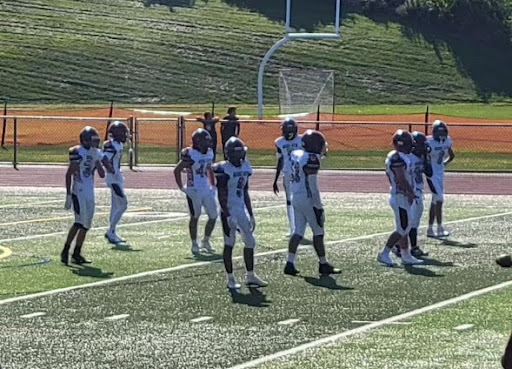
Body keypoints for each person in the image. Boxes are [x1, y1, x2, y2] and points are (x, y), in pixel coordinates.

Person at [283, 130, 341, 276]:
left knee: (298, 231)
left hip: (295, 196)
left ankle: (290, 263)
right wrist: (317, 205)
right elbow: (312, 185)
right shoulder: (312, 159)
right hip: (308, 198)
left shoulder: (296, 154)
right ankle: (323, 264)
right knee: (318, 232)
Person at [213, 137, 267, 289]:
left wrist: (251, 213)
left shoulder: (245, 167)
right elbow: (221, 195)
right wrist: (228, 215)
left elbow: (245, 191)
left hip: (240, 209)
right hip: (228, 211)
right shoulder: (224, 169)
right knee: (229, 244)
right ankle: (230, 279)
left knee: (250, 242)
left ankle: (250, 276)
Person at [378, 129, 424, 267]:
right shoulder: (397, 158)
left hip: (401, 196)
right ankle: (384, 253)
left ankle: (405, 254)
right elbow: (401, 179)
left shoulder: (400, 156)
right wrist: (410, 192)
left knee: (405, 227)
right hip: (400, 196)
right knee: (402, 229)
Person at [61, 126, 104, 265]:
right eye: (93, 140)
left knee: (86, 224)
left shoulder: (95, 153)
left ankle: (77, 253)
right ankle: (66, 250)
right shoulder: (77, 152)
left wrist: (98, 162)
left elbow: (102, 174)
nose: (96, 142)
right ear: (85, 140)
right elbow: (69, 174)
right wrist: (68, 194)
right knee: (79, 222)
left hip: (89, 191)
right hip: (78, 191)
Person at [174, 128, 217, 255]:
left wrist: (213, 185)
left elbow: (209, 169)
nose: (208, 143)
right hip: (194, 190)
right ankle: (194, 243)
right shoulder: (190, 153)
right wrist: (182, 188)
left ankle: (205, 241)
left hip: (205, 189)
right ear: (198, 142)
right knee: (195, 217)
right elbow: (177, 170)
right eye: (205, 140)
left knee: (213, 216)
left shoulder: (209, 153)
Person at [394, 131, 433, 258]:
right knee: (408, 223)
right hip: (409, 194)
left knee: (413, 222)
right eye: (421, 145)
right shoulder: (406, 158)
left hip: (418, 193)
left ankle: (400, 246)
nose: (423, 147)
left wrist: (426, 158)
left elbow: (430, 173)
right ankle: (409, 247)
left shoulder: (420, 157)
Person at [273, 118, 303, 237]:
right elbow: (280, 160)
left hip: (299, 174)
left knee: (299, 201)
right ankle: (293, 228)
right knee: (289, 201)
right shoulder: (279, 142)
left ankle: (298, 227)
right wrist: (275, 179)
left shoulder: (302, 140)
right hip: (288, 174)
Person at [102, 121, 129, 244]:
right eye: (122, 132)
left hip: (117, 178)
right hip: (113, 179)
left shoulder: (118, 144)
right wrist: (112, 171)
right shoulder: (111, 145)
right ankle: (110, 231)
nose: (125, 134)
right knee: (123, 204)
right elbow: (105, 159)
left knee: (115, 206)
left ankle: (112, 232)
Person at [426, 120, 455, 238]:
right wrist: (427, 168)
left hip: (440, 173)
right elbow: (423, 156)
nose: (441, 135)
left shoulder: (447, 141)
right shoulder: (429, 142)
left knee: (434, 201)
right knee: (440, 199)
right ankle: (439, 228)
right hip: (431, 174)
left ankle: (429, 229)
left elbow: (451, 155)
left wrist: (444, 164)